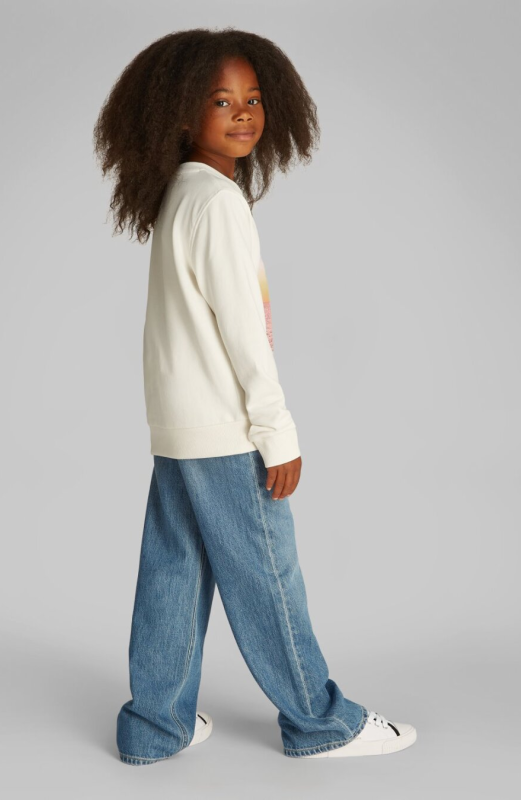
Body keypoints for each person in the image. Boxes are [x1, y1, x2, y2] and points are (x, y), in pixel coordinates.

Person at [93, 27, 417, 766]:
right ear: (181, 113)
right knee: (268, 575)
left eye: (254, 97)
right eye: (220, 100)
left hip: (181, 425)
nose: (243, 112)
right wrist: (277, 432)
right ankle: (321, 723)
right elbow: (243, 335)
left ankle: (155, 726)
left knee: (174, 572)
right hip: (227, 429)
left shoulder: (182, 193)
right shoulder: (217, 204)